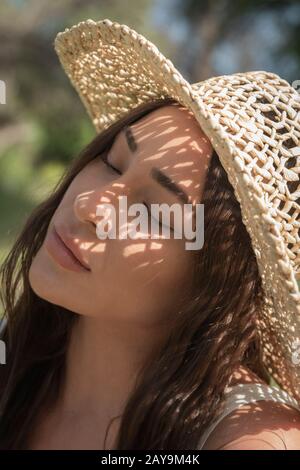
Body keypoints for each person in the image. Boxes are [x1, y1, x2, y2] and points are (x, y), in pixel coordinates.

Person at [0, 18, 299, 450]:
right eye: (112, 161)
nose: (89, 205)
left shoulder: (251, 439)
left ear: (222, 281)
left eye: (152, 212)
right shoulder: (18, 353)